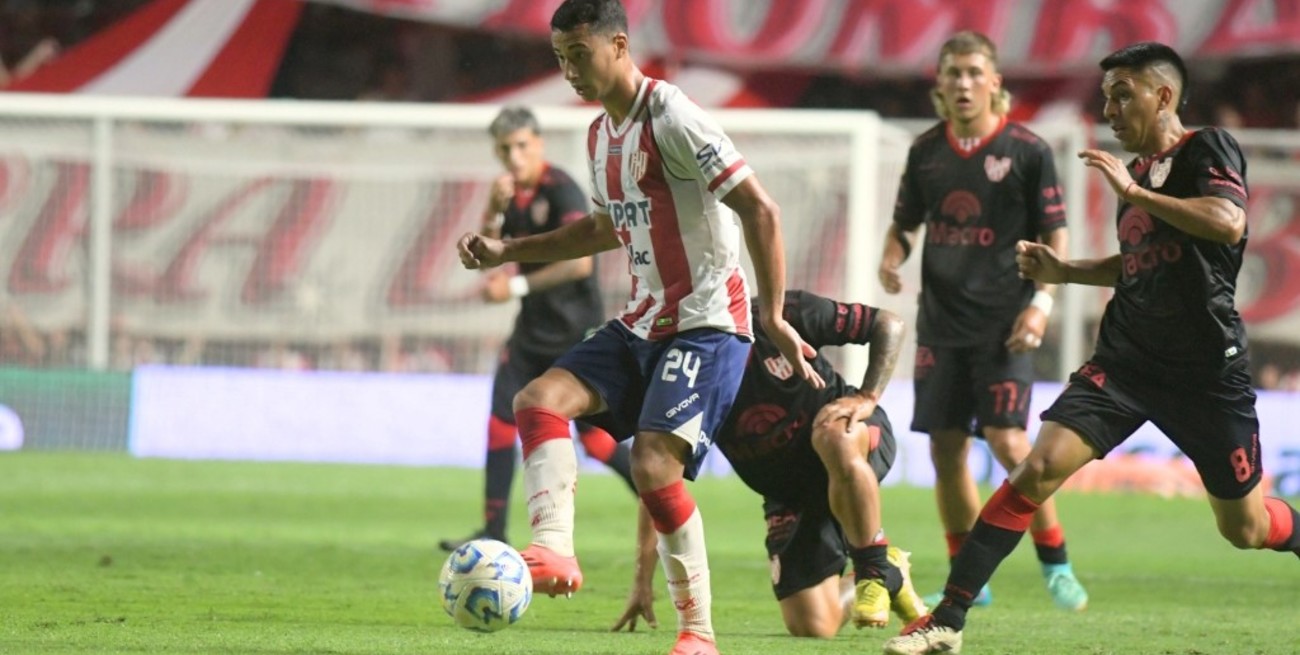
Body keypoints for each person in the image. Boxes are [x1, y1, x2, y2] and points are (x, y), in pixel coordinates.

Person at [884, 41, 1300, 655]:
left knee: (1245, 528)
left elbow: (1227, 222)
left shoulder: (1205, 149)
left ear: (1164, 96)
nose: (1109, 110)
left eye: (1122, 95)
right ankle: (947, 619)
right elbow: (1137, 263)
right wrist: (1065, 271)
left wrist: (1135, 194)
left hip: (1206, 375)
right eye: (1106, 97)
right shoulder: (1137, 177)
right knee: (1036, 468)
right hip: (1124, 363)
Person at [456, 2, 821, 654]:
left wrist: (771, 314)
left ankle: (698, 632)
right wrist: (508, 250)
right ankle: (554, 548)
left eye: (580, 55)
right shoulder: (601, 135)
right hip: (644, 319)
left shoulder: (673, 116)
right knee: (537, 399)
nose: (570, 70)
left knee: (654, 464)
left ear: (619, 45)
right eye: (560, 58)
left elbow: (760, 210)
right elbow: (602, 229)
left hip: (708, 323)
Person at [876, 30, 1087, 611]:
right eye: (954, 73)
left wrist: (1042, 303)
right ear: (940, 84)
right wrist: (890, 258)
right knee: (946, 451)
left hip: (1004, 323)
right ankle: (969, 577)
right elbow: (905, 224)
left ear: (995, 82)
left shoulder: (1028, 150)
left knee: (1011, 443)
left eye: (974, 72)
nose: (964, 83)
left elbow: (1056, 235)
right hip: (940, 325)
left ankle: (1056, 563)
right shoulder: (925, 151)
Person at [611, 290, 928, 639]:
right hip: (790, 497)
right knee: (813, 625)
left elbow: (888, 324)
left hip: (851, 441)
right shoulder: (687, 373)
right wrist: (642, 580)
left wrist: (867, 396)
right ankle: (892, 570)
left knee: (832, 437)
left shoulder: (779, 315)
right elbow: (659, 476)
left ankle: (873, 568)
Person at [439, 105, 636, 553]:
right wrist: (492, 210)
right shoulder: (510, 196)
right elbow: (486, 258)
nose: (514, 157)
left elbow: (579, 264)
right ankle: (493, 530)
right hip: (531, 332)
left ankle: (660, 501)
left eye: (521, 146)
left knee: (595, 440)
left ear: (539, 144)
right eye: (505, 149)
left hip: (573, 334)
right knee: (499, 422)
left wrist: (515, 286)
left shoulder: (562, 190)